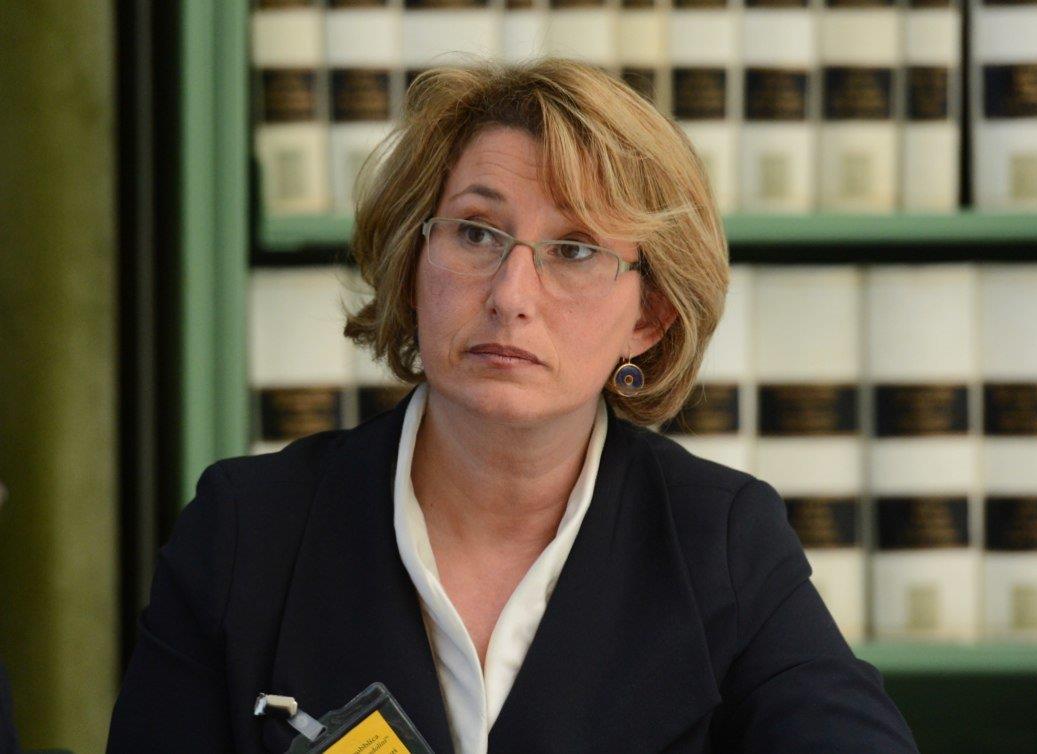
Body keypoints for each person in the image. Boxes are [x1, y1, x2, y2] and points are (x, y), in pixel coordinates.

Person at [107, 58, 917, 753]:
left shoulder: (720, 540)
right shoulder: (248, 529)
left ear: (648, 319)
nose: (510, 295)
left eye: (574, 250)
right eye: (475, 232)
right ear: (413, 262)